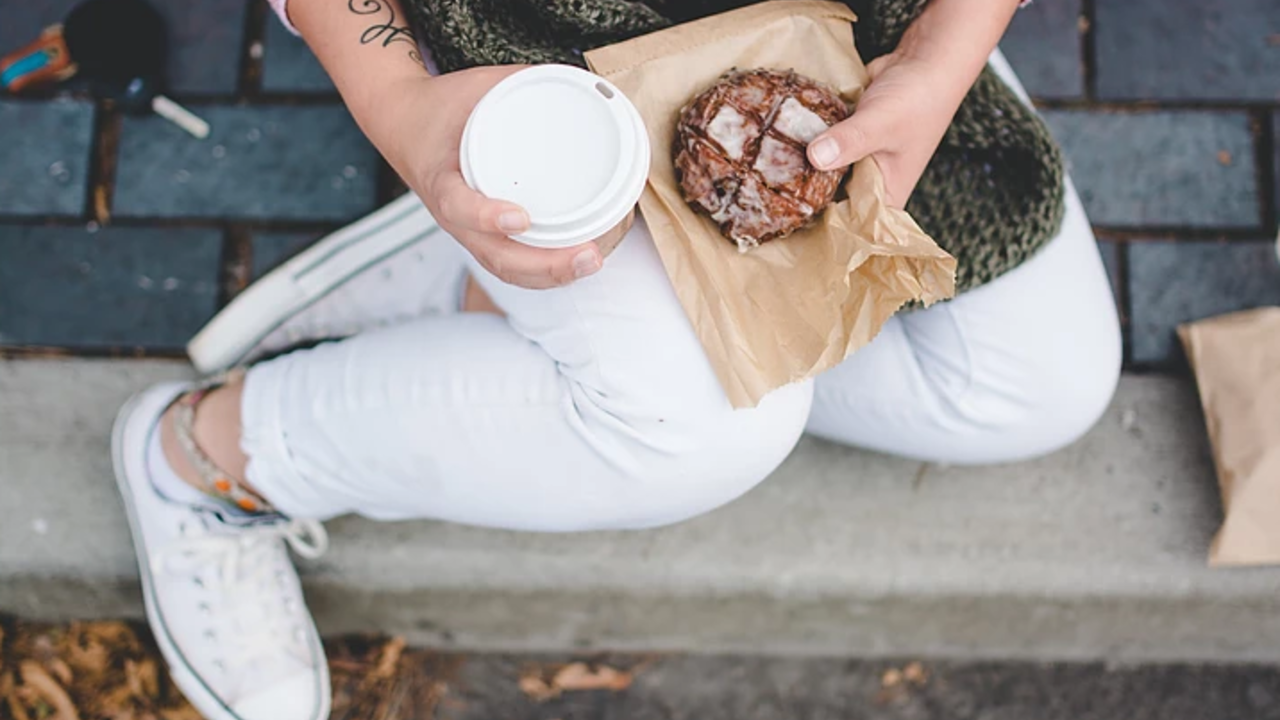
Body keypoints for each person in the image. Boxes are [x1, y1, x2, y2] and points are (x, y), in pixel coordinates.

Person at [110, 1, 1121, 718]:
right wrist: (403, 109)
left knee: (1039, 387)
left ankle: (489, 296)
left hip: (845, 33)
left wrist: (944, 53)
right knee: (707, 429)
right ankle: (207, 460)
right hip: (534, 54)